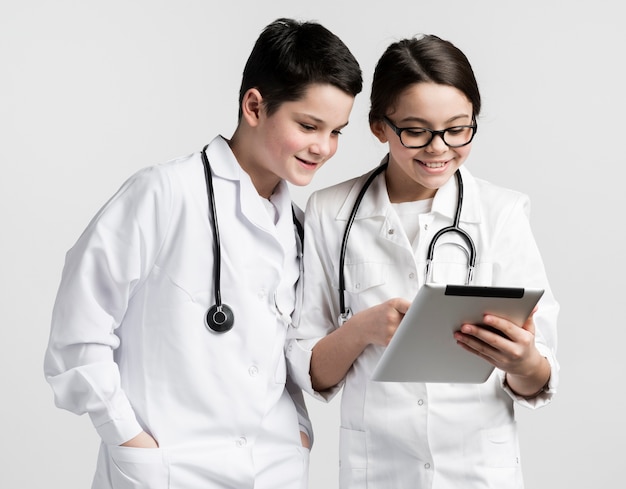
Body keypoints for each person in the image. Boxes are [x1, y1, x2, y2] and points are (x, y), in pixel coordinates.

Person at [44, 18, 362, 489]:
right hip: (170, 468)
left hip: (274, 467)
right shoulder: (164, 193)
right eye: (309, 125)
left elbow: (285, 357)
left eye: (337, 131)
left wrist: (297, 431)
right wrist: (126, 437)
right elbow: (78, 331)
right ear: (254, 106)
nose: (324, 147)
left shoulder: (299, 228)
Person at [287, 34, 559, 488]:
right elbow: (313, 372)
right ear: (379, 126)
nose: (439, 148)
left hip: (477, 469)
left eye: (458, 129)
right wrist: (364, 329)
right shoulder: (329, 212)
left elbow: (538, 377)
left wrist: (523, 360)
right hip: (379, 469)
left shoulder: (501, 213)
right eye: (416, 131)